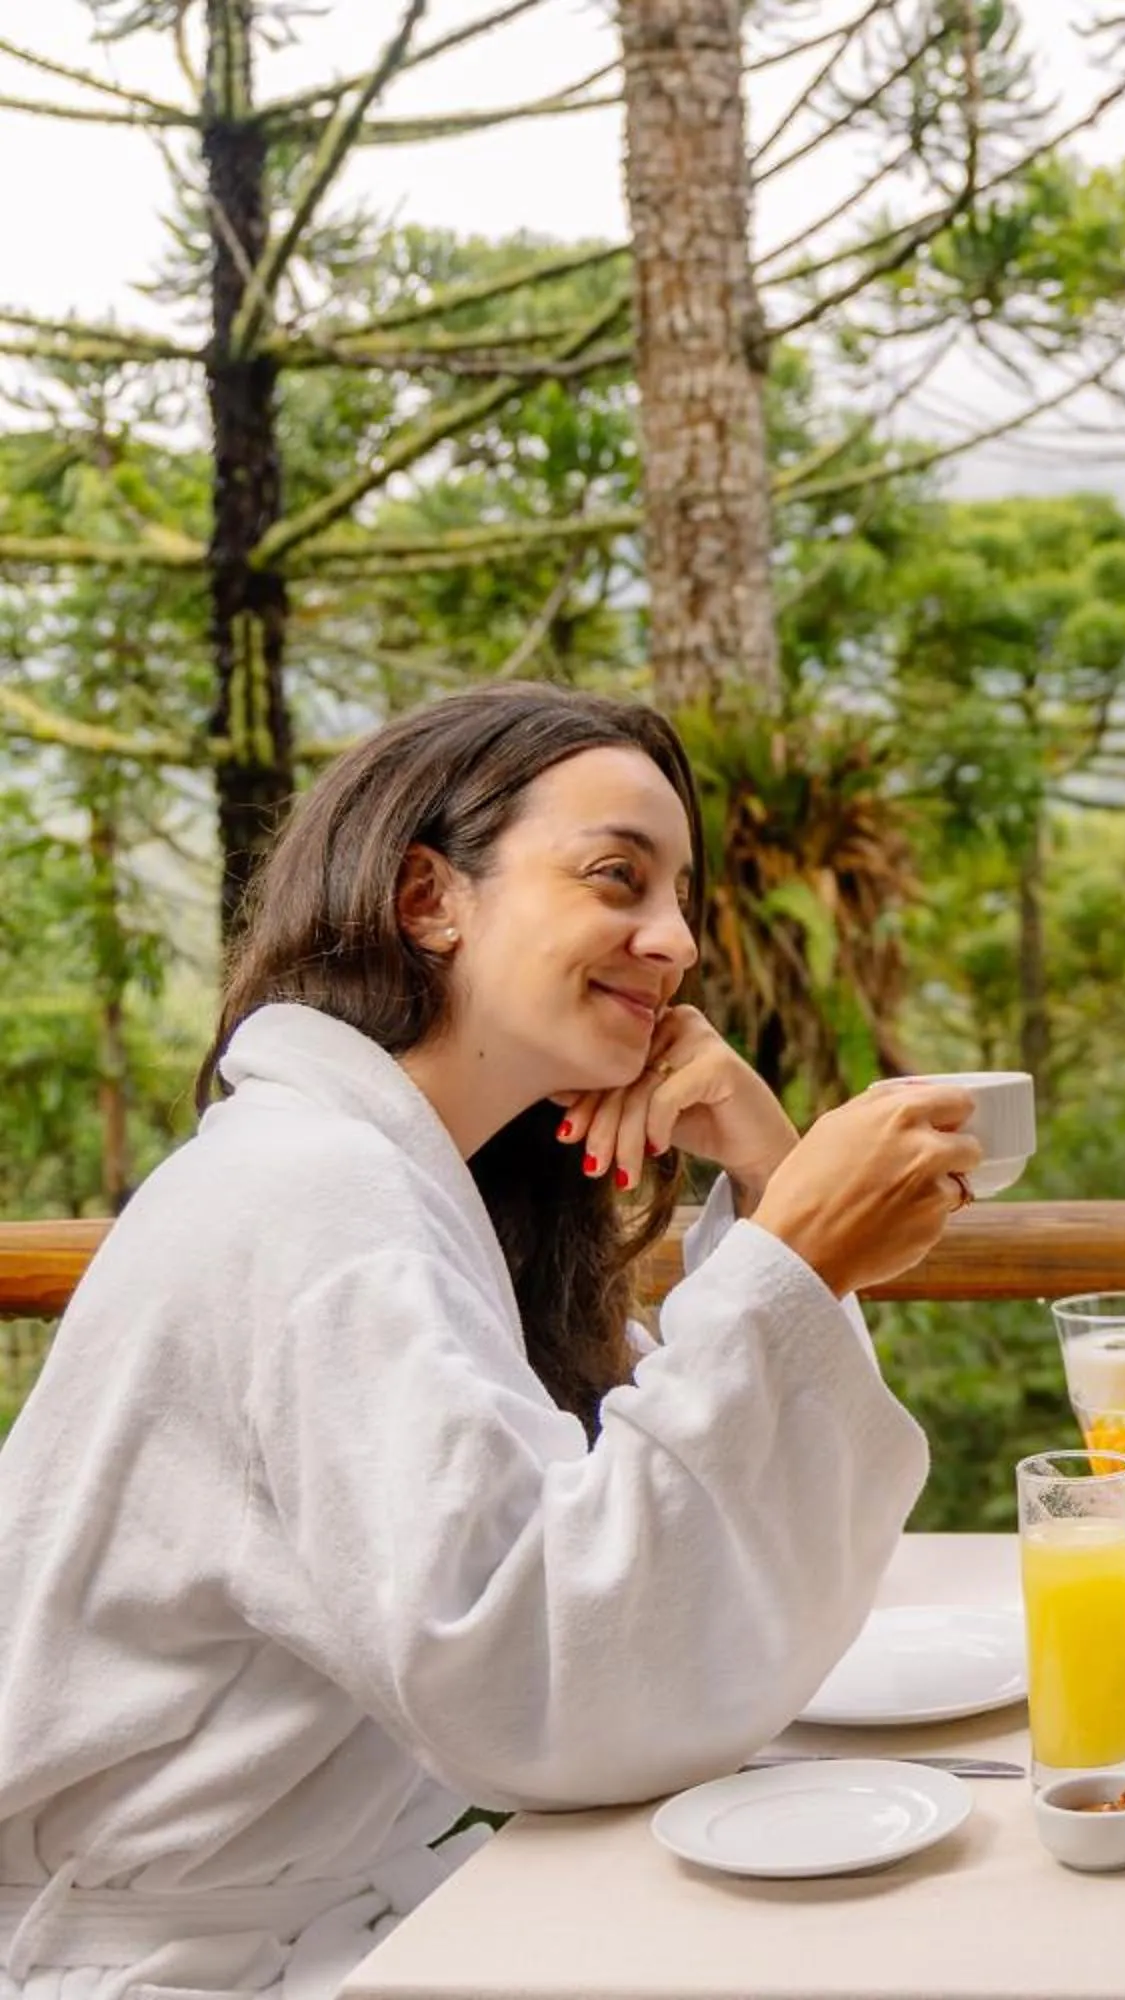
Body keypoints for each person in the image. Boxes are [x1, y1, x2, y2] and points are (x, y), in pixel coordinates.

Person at [0, 684, 985, 2000]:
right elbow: (543, 1677)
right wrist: (792, 1252)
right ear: (430, 899)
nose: (676, 942)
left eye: (682, 898)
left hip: (304, 1927)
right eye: (616, 878)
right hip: (168, 1969)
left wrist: (766, 1164)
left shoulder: (419, 1191)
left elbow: (659, 1528)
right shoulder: (312, 1198)